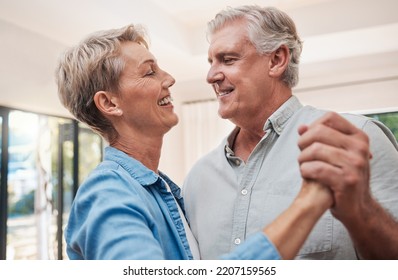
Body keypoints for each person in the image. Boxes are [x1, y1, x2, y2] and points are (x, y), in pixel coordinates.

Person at [55, 23, 334, 260]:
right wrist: (306, 207)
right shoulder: (107, 192)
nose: (170, 79)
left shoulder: (164, 190)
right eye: (150, 72)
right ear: (109, 102)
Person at [182, 5, 398, 260]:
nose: (211, 76)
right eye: (211, 62)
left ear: (276, 60)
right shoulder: (197, 179)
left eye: (228, 59)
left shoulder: (357, 139)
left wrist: (361, 210)